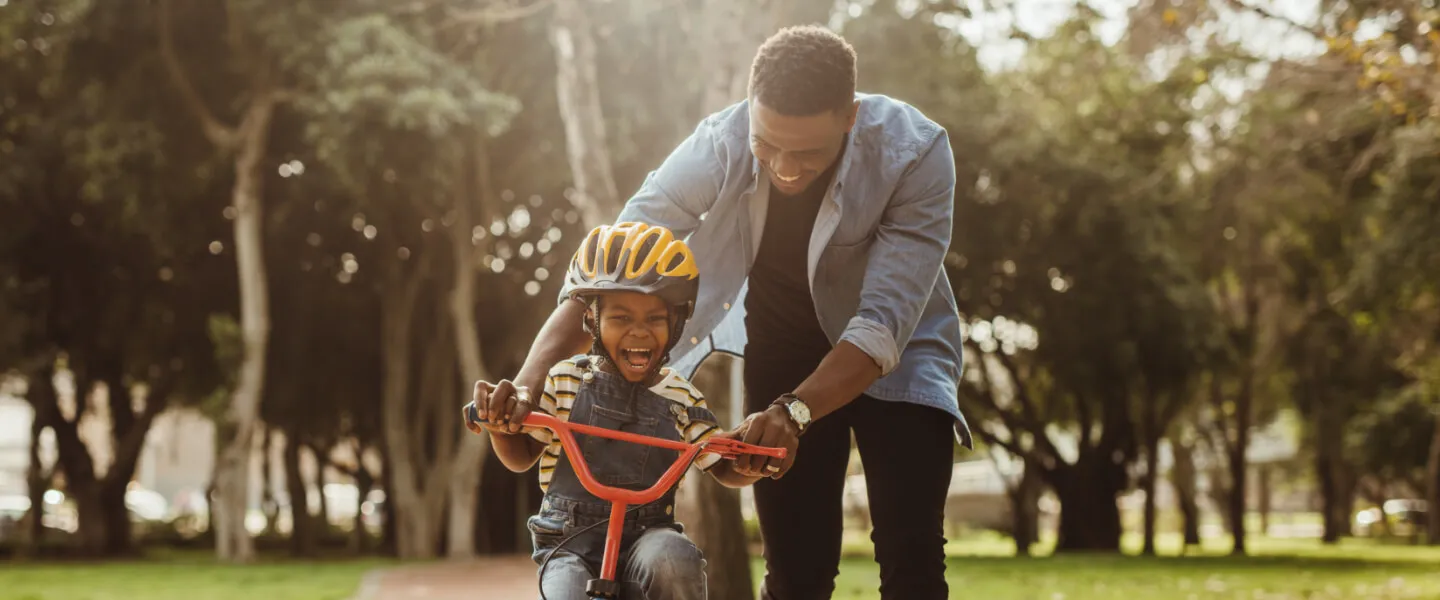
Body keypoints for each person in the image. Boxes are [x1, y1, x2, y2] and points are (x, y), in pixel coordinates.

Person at [476, 24, 972, 600]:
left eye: (806, 153)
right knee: (796, 570)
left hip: (900, 354)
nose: (784, 169)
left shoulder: (916, 152)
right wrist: (530, 382)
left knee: (911, 561)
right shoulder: (720, 142)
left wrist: (796, 412)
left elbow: (882, 323)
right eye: (768, 145)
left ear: (849, 118)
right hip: (785, 347)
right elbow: (610, 265)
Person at [466, 222, 763, 600]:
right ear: (591, 321)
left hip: (649, 537)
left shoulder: (682, 396)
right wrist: (501, 426)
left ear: (676, 324)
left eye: (654, 319)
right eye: (621, 318)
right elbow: (521, 456)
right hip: (569, 543)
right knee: (565, 593)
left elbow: (719, 460)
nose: (639, 332)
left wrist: (746, 460)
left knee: (673, 560)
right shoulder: (564, 381)